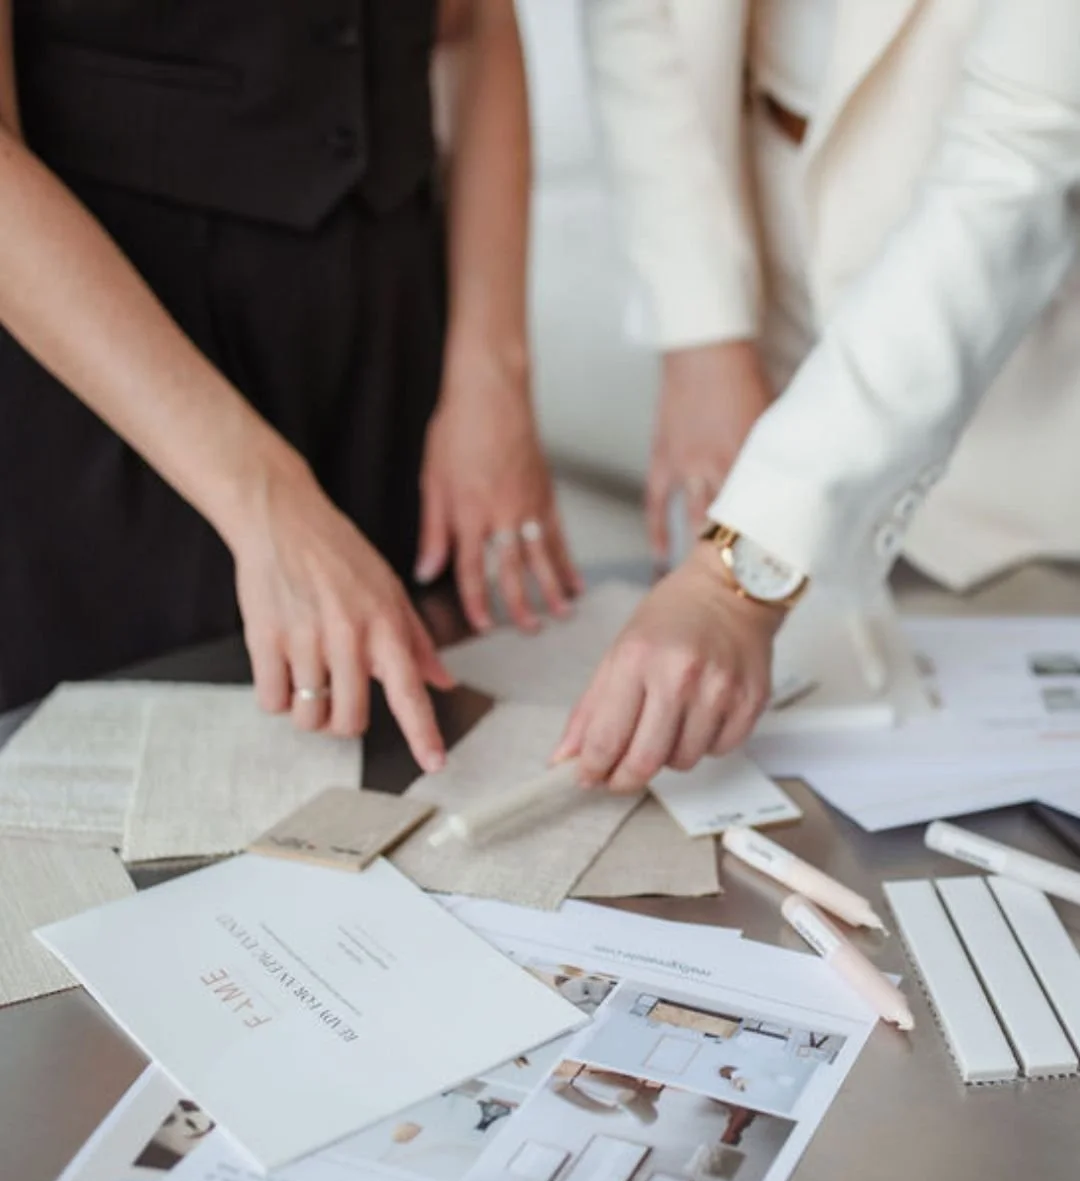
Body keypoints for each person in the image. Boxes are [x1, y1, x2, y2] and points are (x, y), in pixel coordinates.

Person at [0, 0, 579, 769]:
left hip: (394, 359)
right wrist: (264, 499)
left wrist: (491, 373)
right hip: (118, 381)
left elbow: (475, 23)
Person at [555, 0, 1080, 791]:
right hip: (769, 232)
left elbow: (1018, 164)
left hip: (1020, 343)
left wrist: (737, 579)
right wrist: (705, 336)